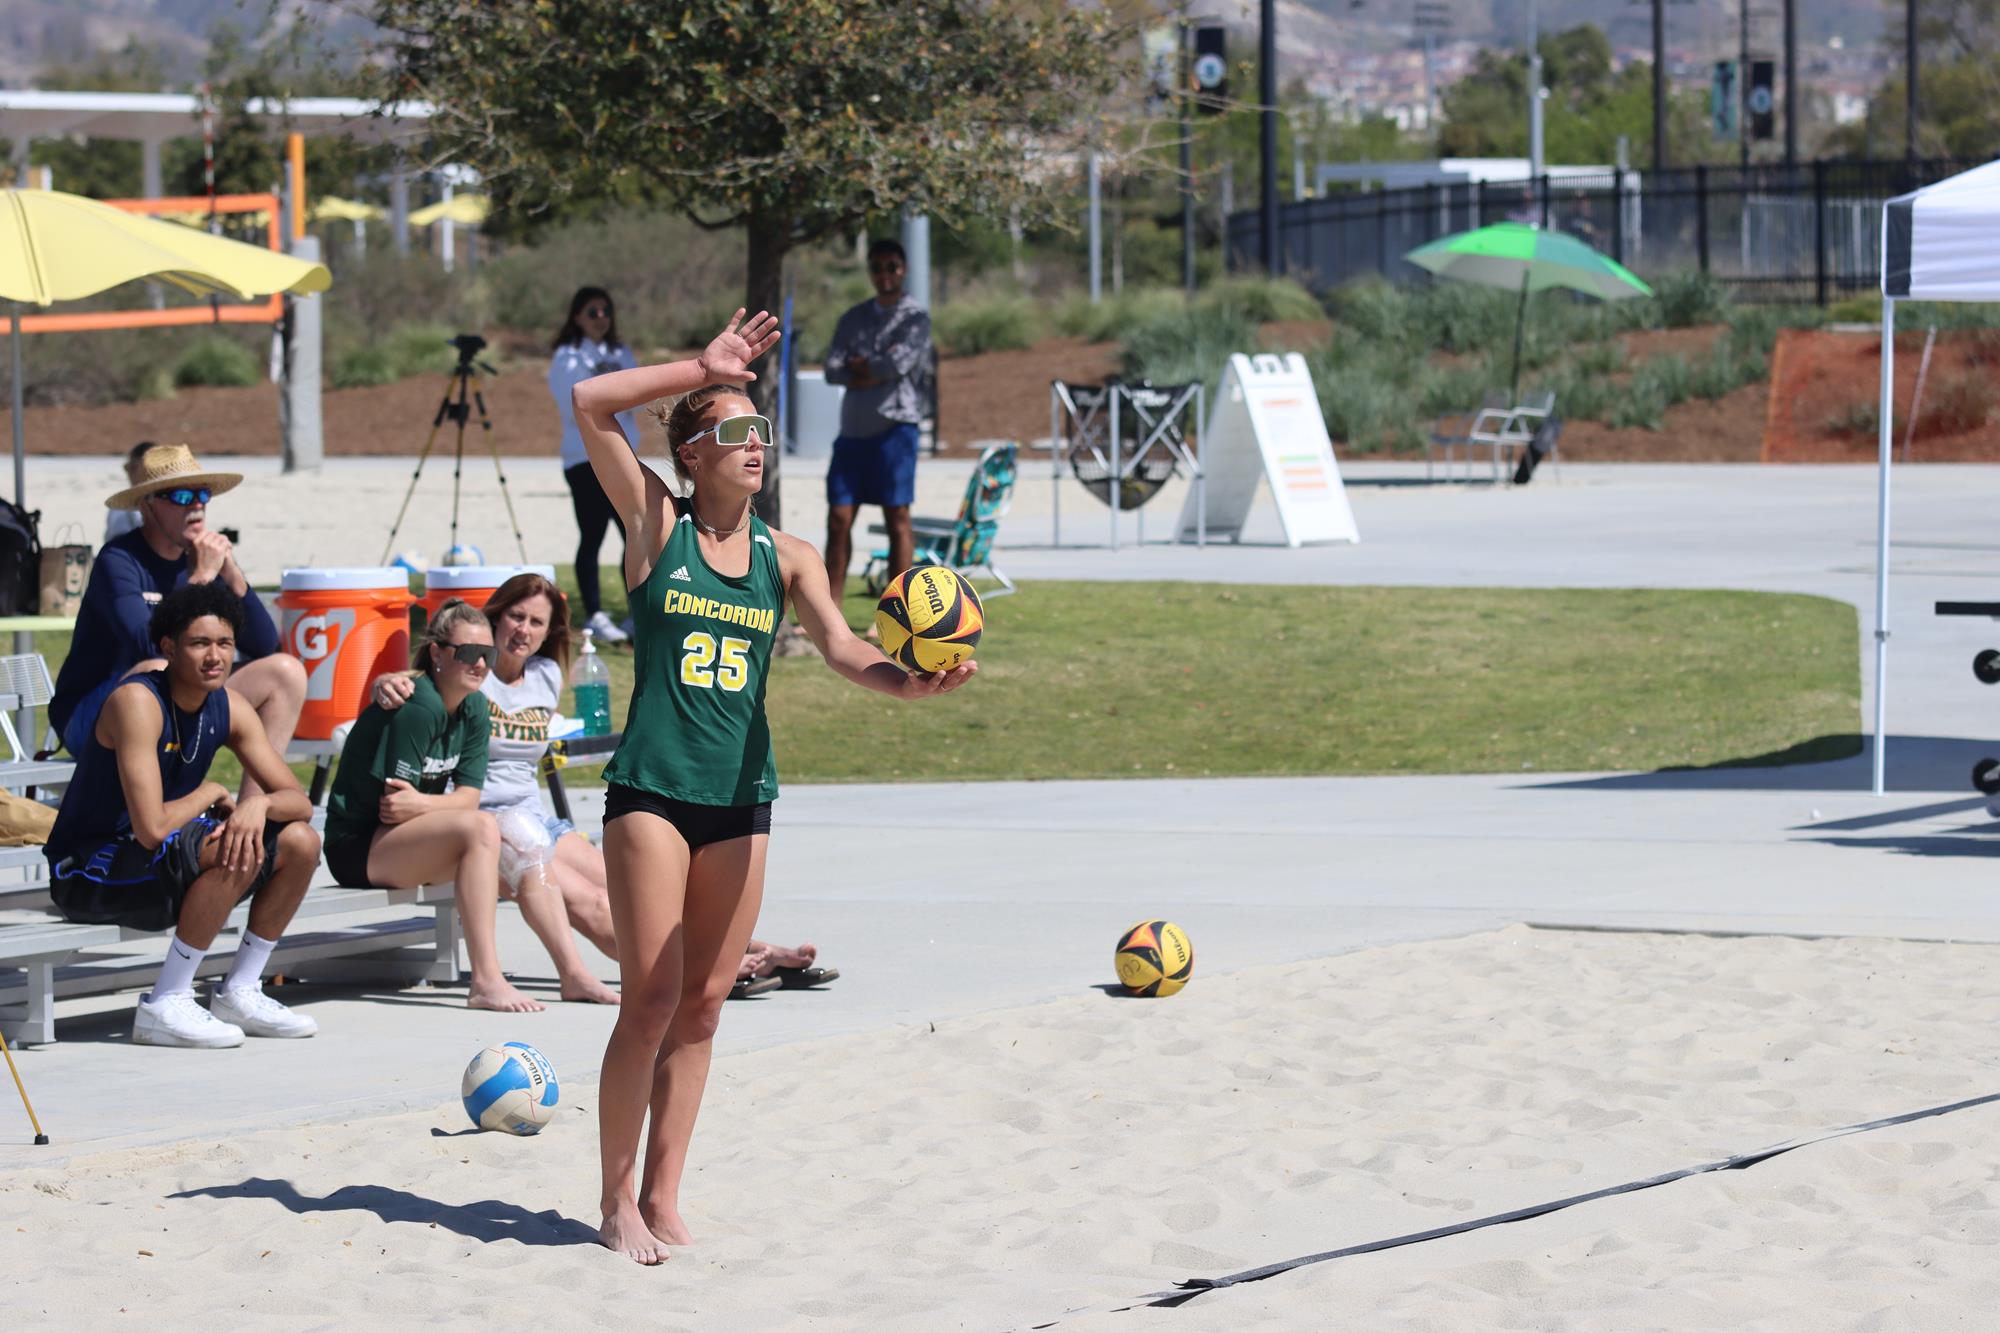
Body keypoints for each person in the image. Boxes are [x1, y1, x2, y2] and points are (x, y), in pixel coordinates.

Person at [573, 308, 976, 1264]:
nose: (757, 444)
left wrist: (912, 682)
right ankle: (614, 1197)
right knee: (652, 997)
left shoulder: (785, 556)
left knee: (707, 1003)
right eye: (737, 430)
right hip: (655, 791)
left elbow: (844, 648)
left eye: (762, 431)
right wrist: (696, 367)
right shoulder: (652, 522)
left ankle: (667, 1193)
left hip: (742, 794)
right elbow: (590, 404)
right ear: (693, 450)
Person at [46, 582, 322, 1048]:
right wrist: (213, 790)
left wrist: (258, 803)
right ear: (169, 647)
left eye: (225, 644)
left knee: (300, 841)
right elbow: (150, 828)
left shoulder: (229, 705)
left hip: (153, 858)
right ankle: (166, 1000)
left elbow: (299, 802)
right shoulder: (137, 702)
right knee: (238, 845)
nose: (215, 657)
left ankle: (241, 989)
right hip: (89, 869)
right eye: (199, 643)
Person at [368, 573, 620, 1005]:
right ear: (496, 618)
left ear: (549, 632)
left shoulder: (545, 676)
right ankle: (598, 974)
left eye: (537, 622)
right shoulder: (470, 670)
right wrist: (384, 683)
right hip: (483, 821)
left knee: (625, 890)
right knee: (593, 903)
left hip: (535, 815)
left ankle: (729, 956)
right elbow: (418, 681)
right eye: (516, 617)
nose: (524, 630)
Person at [52, 445, 306, 803]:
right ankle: (159, 815)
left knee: (285, 672)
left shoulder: (207, 561)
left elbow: (265, 646)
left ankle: (259, 814)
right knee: (158, 668)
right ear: (147, 506)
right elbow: (150, 645)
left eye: (203, 495)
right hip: (95, 715)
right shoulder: (118, 560)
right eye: (182, 495)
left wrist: (233, 577)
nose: (197, 505)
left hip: (178, 698)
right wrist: (202, 577)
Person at [322, 600, 540, 1013]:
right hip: (358, 845)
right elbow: (392, 807)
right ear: (438, 653)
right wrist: (437, 806)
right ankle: (487, 981)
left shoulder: (475, 707)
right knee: (481, 831)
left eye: (488, 655)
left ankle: (576, 968)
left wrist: (423, 803)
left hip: (405, 839)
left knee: (518, 847)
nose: (480, 664)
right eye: (468, 653)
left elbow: (465, 797)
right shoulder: (418, 708)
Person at [821, 239, 933, 607]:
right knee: (839, 518)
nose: (885, 275)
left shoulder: (915, 318)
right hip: (852, 435)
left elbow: (897, 366)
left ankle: (895, 610)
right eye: (878, 267)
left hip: (895, 432)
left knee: (897, 519)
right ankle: (830, 607)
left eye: (892, 267)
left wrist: (863, 367)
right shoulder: (852, 318)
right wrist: (871, 370)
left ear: (903, 270)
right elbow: (832, 370)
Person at [548, 286, 641, 646]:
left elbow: (636, 396)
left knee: (632, 533)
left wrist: (610, 399)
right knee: (593, 535)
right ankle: (596, 613)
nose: (601, 318)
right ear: (576, 317)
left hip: (625, 455)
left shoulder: (621, 353)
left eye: (606, 311)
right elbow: (574, 404)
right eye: (592, 312)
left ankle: (636, 610)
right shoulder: (566, 357)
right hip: (583, 457)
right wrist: (611, 399)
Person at [102, 441, 155, 545]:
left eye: (133, 468)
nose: (130, 474)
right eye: (130, 469)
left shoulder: (164, 503)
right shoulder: (118, 506)